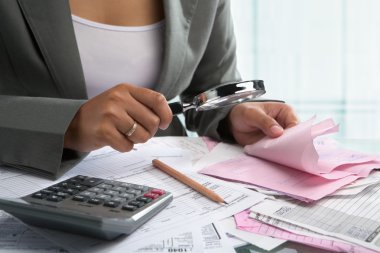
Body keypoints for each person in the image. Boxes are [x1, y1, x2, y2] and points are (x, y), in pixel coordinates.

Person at [0, 0, 298, 178]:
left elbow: (211, 84)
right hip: (24, 183)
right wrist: (68, 124)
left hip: (163, 185)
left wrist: (234, 116)